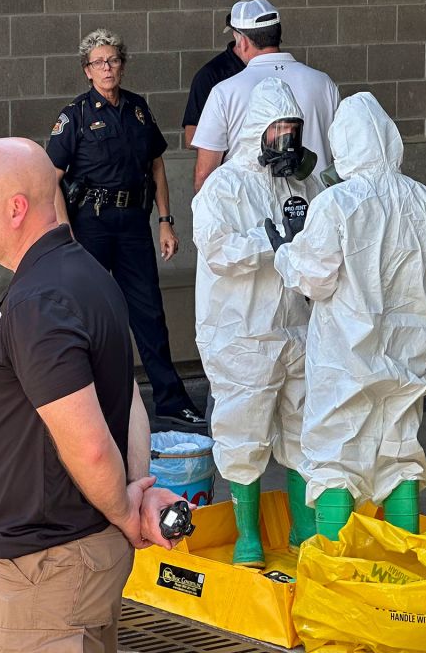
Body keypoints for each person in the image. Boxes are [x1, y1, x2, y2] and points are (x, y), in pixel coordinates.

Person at [0, 137, 183, 653]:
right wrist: (134, 490)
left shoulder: (41, 301)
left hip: (50, 568)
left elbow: (93, 443)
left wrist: (125, 510)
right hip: (76, 555)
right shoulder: (82, 273)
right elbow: (129, 401)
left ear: (15, 209)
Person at [270, 93, 426, 540]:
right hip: (406, 354)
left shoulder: (336, 204)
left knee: (335, 456)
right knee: (400, 450)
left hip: (345, 356)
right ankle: (403, 563)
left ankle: (339, 577)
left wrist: (286, 252)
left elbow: (315, 281)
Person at [192, 77, 323, 567]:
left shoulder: (303, 183)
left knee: (303, 430)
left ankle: (303, 530)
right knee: (243, 433)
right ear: (257, 130)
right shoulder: (224, 186)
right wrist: (269, 242)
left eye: (294, 127)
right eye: (279, 127)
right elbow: (219, 250)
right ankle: (248, 535)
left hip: (298, 328)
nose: (287, 137)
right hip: (242, 332)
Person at [46, 28, 205, 430]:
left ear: (122, 64)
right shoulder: (76, 115)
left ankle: (170, 399)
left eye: (113, 60)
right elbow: (50, 178)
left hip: (134, 223)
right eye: (99, 62)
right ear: (87, 70)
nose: (108, 68)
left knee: (149, 312)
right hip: (91, 226)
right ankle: (96, 402)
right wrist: (64, 233)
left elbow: (156, 164)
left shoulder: (137, 108)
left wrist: (166, 222)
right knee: (95, 315)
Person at [191, 0, 339, 192]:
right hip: (317, 211)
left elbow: (205, 174)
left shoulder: (225, 92)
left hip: (252, 215)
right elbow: (342, 154)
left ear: (242, 41)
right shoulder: (324, 83)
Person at [181, 37, 244, 147]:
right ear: (242, 38)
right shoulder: (211, 74)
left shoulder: (275, 68)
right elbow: (192, 137)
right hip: (230, 161)